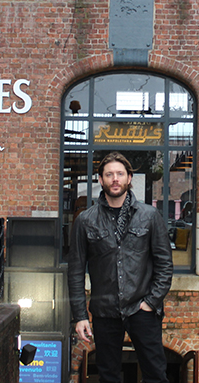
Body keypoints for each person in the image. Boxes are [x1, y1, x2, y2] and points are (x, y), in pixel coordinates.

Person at [68, 152, 173, 383]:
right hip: (105, 311)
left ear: (129, 178)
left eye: (119, 174)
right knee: (108, 376)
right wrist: (80, 316)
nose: (115, 179)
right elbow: (75, 271)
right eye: (109, 174)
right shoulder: (85, 220)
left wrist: (151, 302)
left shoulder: (150, 216)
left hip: (142, 308)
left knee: (155, 373)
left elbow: (165, 265)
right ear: (100, 179)